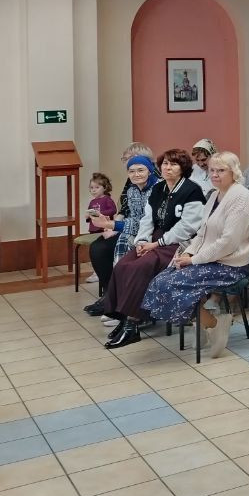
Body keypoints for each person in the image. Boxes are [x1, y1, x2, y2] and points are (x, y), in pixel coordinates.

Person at [140, 152, 249, 359]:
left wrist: (193, 260)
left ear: (234, 172)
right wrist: (188, 252)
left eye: (221, 170)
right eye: (212, 170)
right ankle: (201, 324)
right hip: (210, 259)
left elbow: (228, 242)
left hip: (230, 265)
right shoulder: (214, 195)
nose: (215, 174)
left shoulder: (241, 197)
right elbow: (202, 233)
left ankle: (214, 324)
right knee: (161, 280)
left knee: (172, 284)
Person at [102, 149, 208, 347]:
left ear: (183, 168)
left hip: (181, 243)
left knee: (140, 267)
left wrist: (156, 244)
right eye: (165, 163)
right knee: (123, 265)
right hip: (154, 239)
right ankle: (123, 318)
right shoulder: (158, 188)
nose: (168, 168)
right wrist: (142, 242)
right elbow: (147, 219)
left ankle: (132, 324)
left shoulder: (192, 190)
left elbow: (187, 227)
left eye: (173, 164)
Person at [85, 154, 156, 314]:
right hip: (133, 228)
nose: (136, 174)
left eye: (140, 170)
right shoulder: (132, 190)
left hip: (152, 234)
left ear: (150, 170)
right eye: (131, 171)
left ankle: (124, 304)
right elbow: (131, 215)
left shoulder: (157, 189)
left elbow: (147, 222)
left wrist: (112, 225)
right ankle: (111, 296)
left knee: (123, 253)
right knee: (99, 248)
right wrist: (112, 226)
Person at [83, 173, 117, 286]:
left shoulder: (107, 199)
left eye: (97, 187)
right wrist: (87, 216)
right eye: (91, 188)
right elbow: (90, 215)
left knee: (101, 250)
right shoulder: (92, 202)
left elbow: (113, 210)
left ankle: (101, 272)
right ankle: (96, 271)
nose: (93, 190)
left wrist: (100, 213)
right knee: (94, 251)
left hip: (104, 229)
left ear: (105, 188)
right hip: (93, 229)